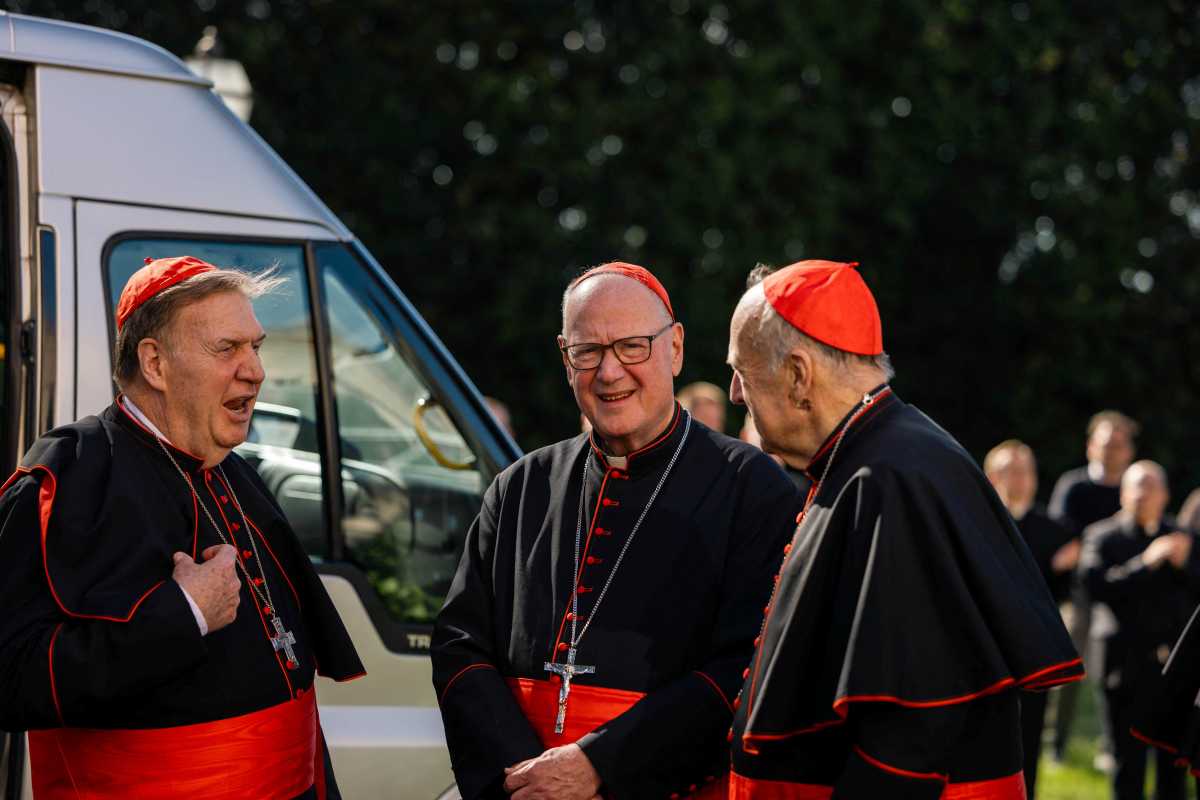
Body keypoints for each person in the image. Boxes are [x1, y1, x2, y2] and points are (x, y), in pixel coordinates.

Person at [431, 261, 801, 799]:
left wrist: (599, 765)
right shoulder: (520, 487)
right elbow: (460, 647)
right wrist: (528, 778)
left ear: (674, 348)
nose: (609, 373)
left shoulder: (754, 490)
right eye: (588, 352)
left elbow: (750, 667)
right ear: (565, 358)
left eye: (632, 346)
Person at [0, 256, 364, 798]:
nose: (256, 371)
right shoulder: (66, 479)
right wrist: (184, 613)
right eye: (228, 348)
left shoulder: (236, 471)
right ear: (155, 364)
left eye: (256, 346)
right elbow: (10, 679)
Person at [725, 260, 1082, 798]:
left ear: (799, 375)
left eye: (743, 373)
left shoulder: (892, 478)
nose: (734, 394)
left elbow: (910, 731)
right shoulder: (876, 453)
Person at [1078, 460, 1200, 800]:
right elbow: (1095, 588)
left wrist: (1186, 563)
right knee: (1126, 766)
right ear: (1123, 493)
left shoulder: (1183, 539)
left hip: (1174, 673)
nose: (1143, 494)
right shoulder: (1101, 536)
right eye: (1137, 486)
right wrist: (1145, 562)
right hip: (1123, 671)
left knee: (1172, 770)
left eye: (1151, 486)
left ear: (1165, 494)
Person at [983, 439, 1077, 798]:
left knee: (1030, 740)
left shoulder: (1058, 530)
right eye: (1012, 470)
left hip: (1034, 653)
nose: (1022, 479)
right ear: (992, 477)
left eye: (1028, 471)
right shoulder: (979, 523)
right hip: (987, 650)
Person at [1048, 410, 1138, 767]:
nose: (1111, 452)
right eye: (1105, 444)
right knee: (1068, 671)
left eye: (1118, 445)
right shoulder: (1074, 486)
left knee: (1113, 676)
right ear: (1090, 447)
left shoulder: (1135, 487)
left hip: (1121, 596)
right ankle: (1056, 745)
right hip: (1080, 596)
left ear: (1129, 451)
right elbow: (1059, 542)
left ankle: (1111, 745)